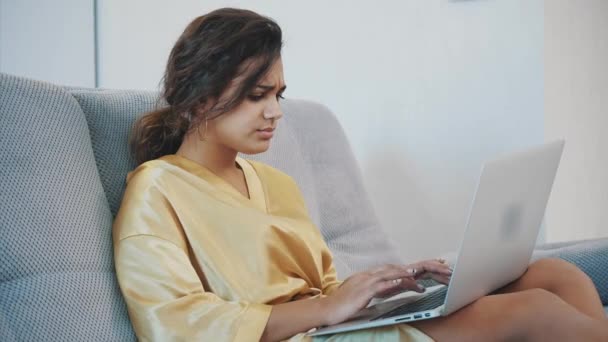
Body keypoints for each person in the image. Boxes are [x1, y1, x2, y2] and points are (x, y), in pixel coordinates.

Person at [113, 7, 608, 342]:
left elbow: (327, 290)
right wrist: (327, 311)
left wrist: (389, 285)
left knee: (555, 275)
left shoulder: (274, 184)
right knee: (530, 312)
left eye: (278, 95)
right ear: (200, 96)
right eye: (256, 95)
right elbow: (175, 325)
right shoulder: (157, 190)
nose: (274, 113)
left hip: (337, 329)